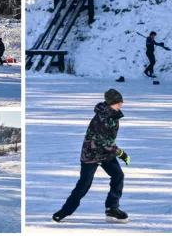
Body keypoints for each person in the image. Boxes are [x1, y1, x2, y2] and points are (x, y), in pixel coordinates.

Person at [53, 89, 130, 224]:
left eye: (121, 101)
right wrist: (121, 154)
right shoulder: (102, 119)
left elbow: (108, 141)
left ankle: (112, 208)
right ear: (111, 103)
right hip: (91, 154)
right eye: (117, 102)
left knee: (118, 176)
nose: (120, 104)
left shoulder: (112, 114)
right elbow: (104, 142)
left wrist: (116, 152)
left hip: (105, 154)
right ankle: (65, 211)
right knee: (84, 184)